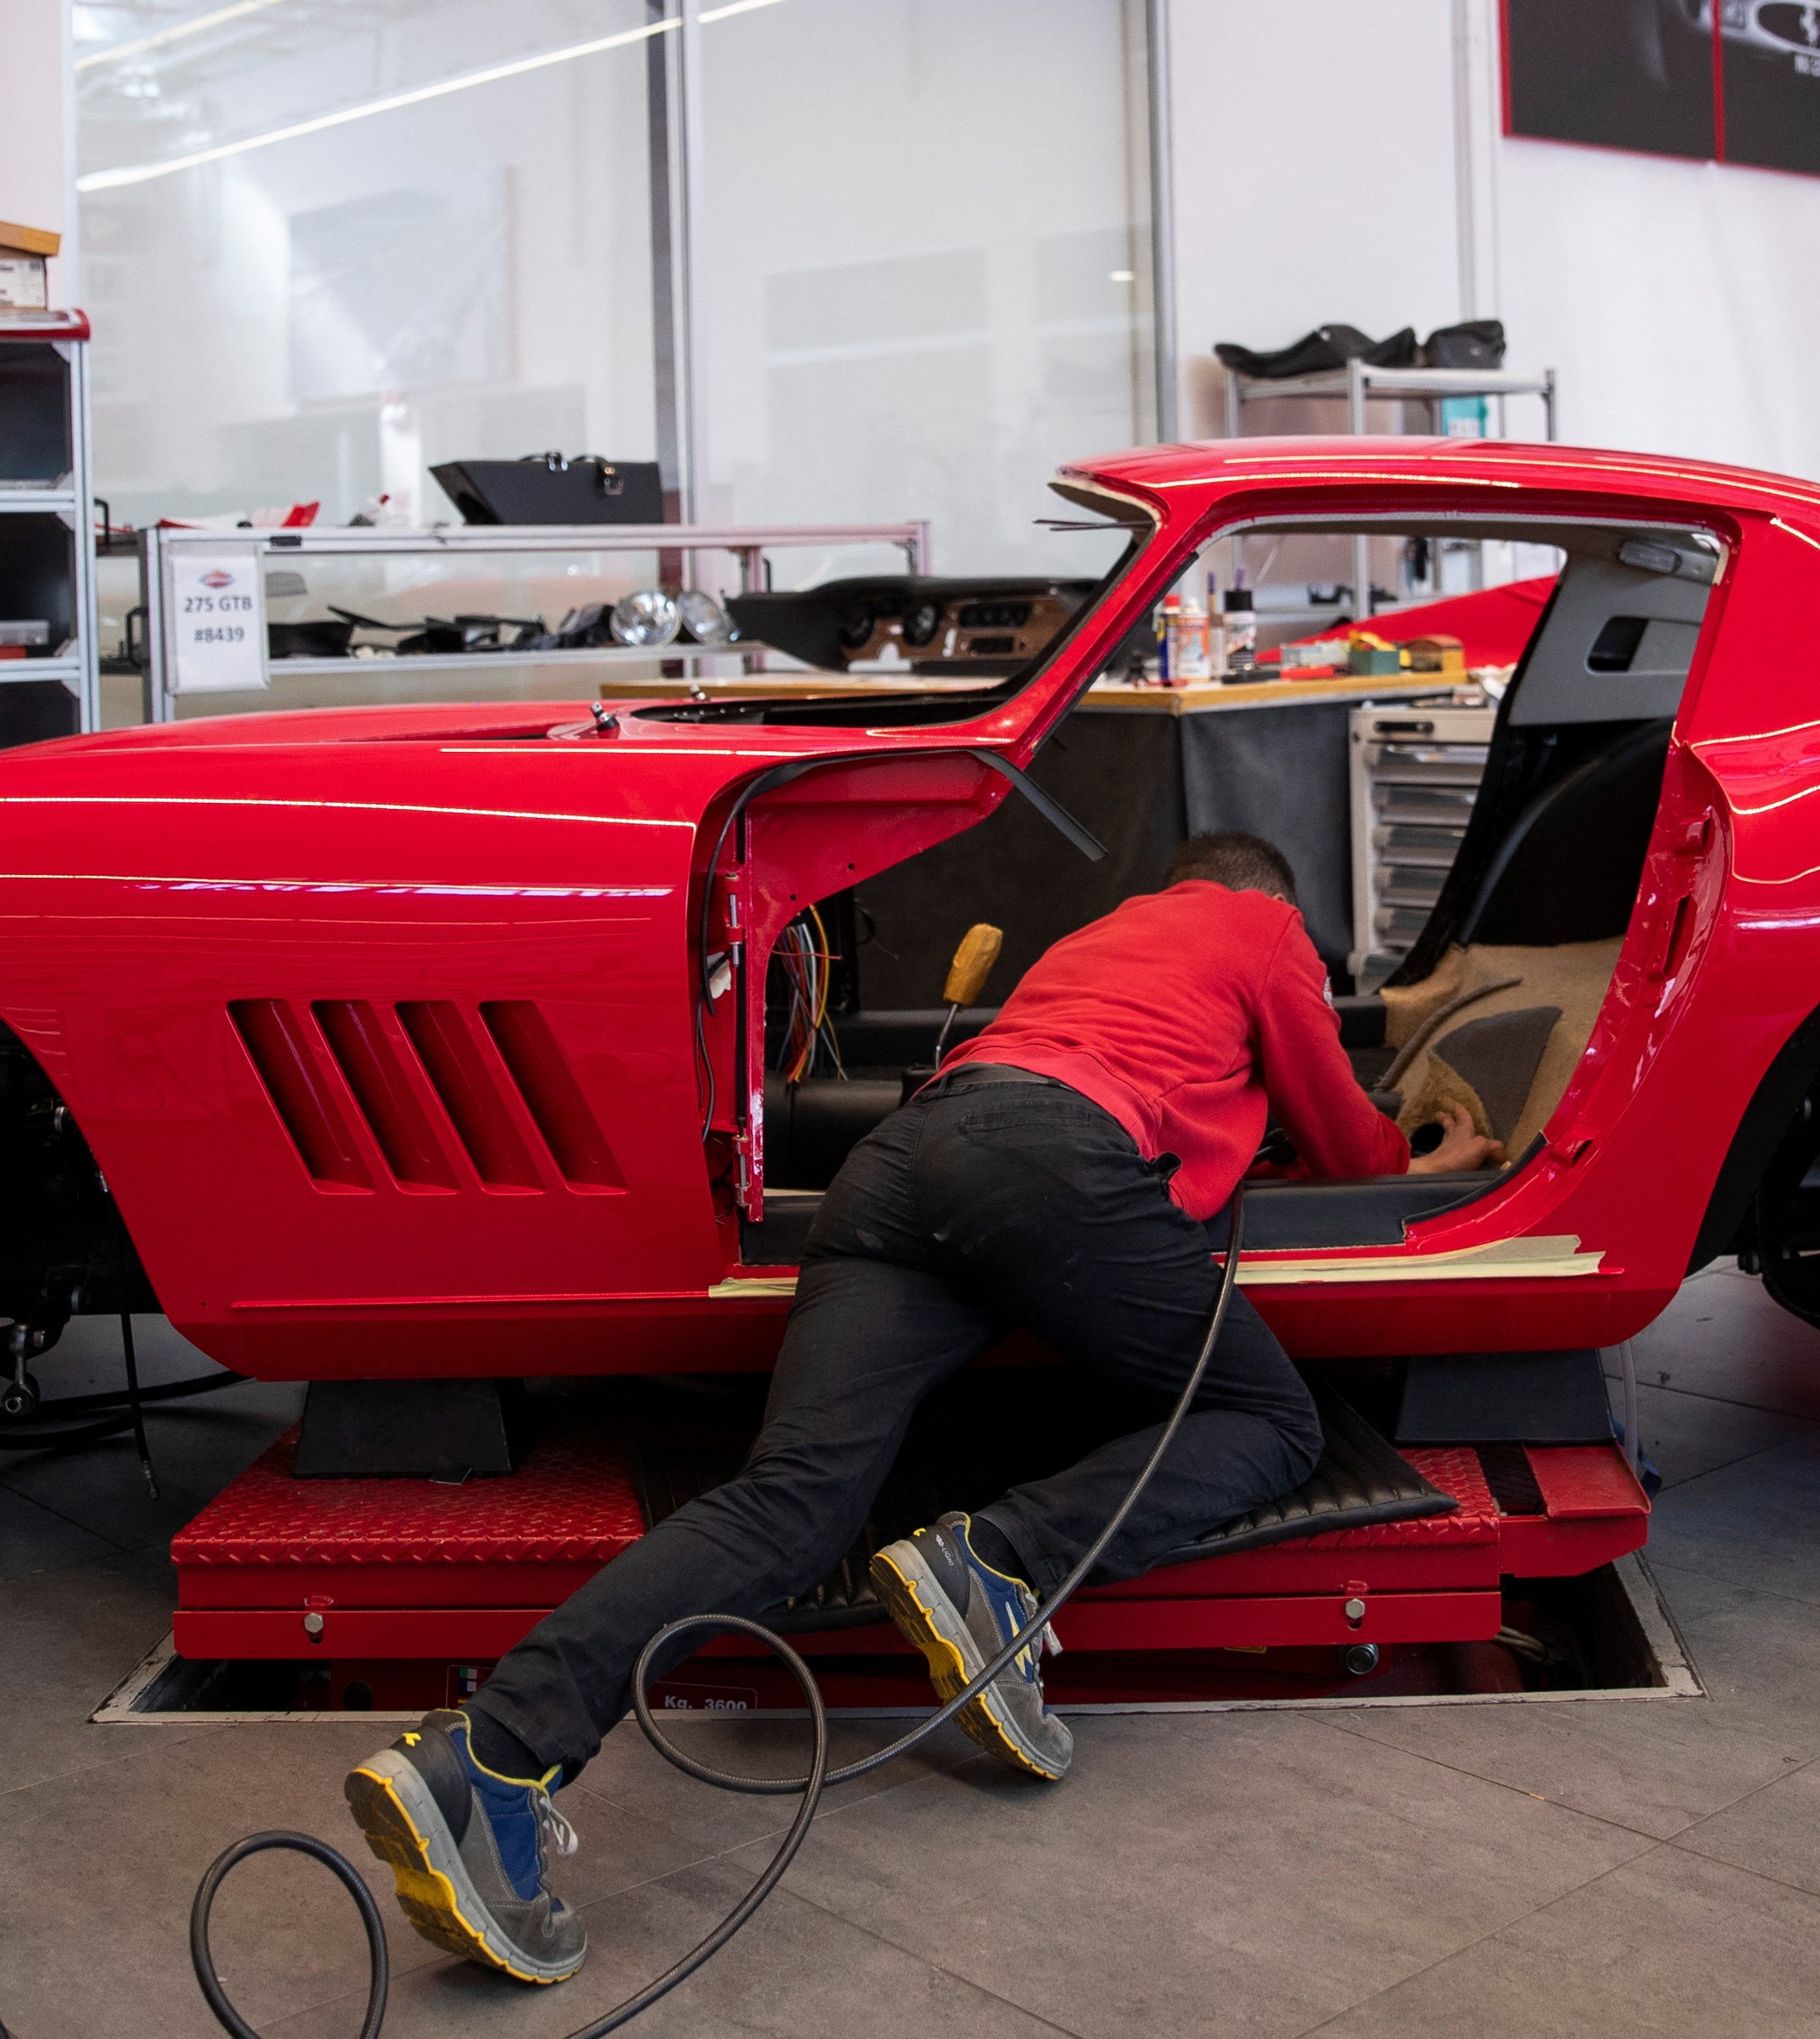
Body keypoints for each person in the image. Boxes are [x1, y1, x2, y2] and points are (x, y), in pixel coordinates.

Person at [344, 830, 1505, 1985]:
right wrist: (1435, 1156)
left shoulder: (1102, 938)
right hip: (1051, 1161)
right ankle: (996, 1562)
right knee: (1274, 1422)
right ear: (1270, 896)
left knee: (790, 1504)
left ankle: (488, 1760)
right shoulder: (1258, 922)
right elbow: (1351, 1139)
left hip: (904, 1162)